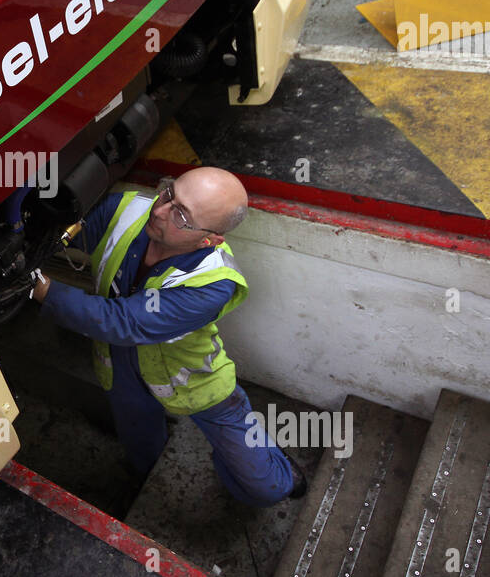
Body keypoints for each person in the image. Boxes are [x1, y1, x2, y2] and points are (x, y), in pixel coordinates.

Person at [30, 167, 305, 505]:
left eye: (181, 215)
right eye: (168, 193)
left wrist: (39, 289)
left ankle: (274, 468)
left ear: (209, 239)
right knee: (143, 453)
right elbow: (57, 235)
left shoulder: (213, 284)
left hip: (192, 380)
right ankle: (145, 480)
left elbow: (124, 322)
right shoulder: (125, 209)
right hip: (121, 370)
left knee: (266, 488)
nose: (159, 211)